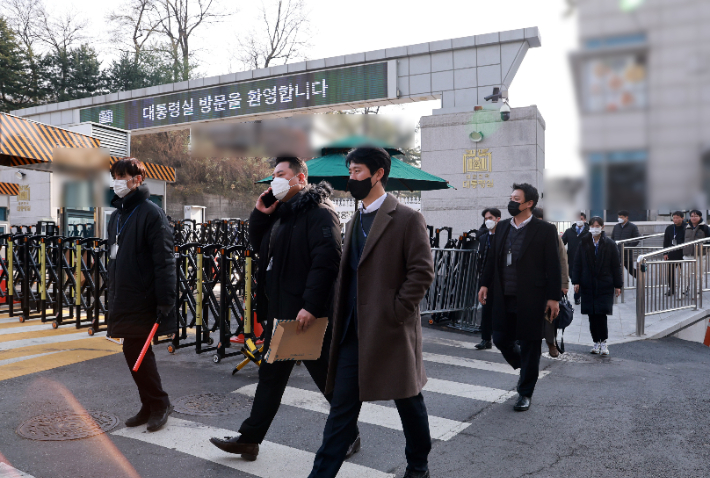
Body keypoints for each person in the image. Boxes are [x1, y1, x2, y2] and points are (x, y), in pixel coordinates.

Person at [209, 157, 360, 460]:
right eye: (273, 175)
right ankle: (250, 439)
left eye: (281, 174)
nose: (274, 180)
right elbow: (261, 251)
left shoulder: (320, 214)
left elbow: (327, 261)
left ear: (301, 179)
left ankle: (348, 433)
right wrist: (260, 214)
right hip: (283, 313)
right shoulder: (282, 214)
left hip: (306, 315)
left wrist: (310, 306)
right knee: (272, 378)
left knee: (325, 379)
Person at [308, 146, 435, 478]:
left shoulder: (407, 218)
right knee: (340, 413)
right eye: (350, 172)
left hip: (391, 329)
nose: (352, 177)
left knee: (409, 402)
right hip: (352, 333)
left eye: (358, 172)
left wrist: (396, 311)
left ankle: (418, 465)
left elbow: (422, 272)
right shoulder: (353, 221)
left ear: (379, 174)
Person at [107, 158, 176, 432]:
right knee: (134, 352)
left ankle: (159, 404)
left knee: (137, 351)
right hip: (124, 296)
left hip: (145, 297)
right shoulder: (117, 216)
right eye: (115, 175)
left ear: (138, 180)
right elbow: (114, 258)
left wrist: (166, 299)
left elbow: (164, 260)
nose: (118, 181)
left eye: (123, 175)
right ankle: (150, 404)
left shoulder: (152, 213)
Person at [478, 183, 561, 412]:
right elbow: (492, 259)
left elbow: (553, 266)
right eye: (511, 197)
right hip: (503, 295)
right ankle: (524, 368)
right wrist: (485, 284)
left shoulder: (544, 230)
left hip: (532, 297)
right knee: (501, 338)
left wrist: (553, 298)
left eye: (516, 198)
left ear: (529, 203)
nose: (511, 202)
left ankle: (525, 392)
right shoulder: (502, 227)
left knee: (530, 345)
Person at [571, 217, 623, 356]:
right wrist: (576, 281)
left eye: (597, 226)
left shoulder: (610, 244)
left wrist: (618, 285)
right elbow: (577, 263)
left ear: (602, 227)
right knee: (591, 315)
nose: (595, 228)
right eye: (592, 226)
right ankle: (595, 342)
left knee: (601, 314)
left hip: (604, 284)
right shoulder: (583, 243)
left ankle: (603, 342)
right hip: (587, 283)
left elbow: (615, 266)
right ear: (589, 227)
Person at [532, 207, 568, 358]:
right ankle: (531, 345)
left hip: (548, 283)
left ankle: (551, 344)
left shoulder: (551, 234)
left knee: (549, 316)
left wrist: (564, 284)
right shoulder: (524, 233)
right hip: (530, 284)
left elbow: (562, 259)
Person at [475, 207, 501, 350]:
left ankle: (510, 339)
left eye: (490, 218)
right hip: (485, 279)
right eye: (486, 218)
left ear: (498, 219)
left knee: (503, 310)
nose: (488, 221)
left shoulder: (503, 236)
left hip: (501, 280)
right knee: (486, 309)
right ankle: (486, 339)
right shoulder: (484, 237)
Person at [561, 212, 589, 305]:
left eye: (581, 219)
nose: (579, 221)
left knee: (581, 279)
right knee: (575, 279)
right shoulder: (569, 231)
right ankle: (578, 295)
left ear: (584, 220)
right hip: (572, 259)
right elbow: (561, 243)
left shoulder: (589, 231)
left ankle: (577, 297)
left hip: (586, 259)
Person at [611, 210, 640, 280]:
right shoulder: (616, 227)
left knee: (631, 270)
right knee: (614, 270)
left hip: (626, 253)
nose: (619, 219)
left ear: (626, 217)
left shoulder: (632, 227)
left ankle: (641, 279)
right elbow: (612, 238)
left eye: (621, 217)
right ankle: (617, 286)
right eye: (619, 217)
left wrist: (628, 248)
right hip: (616, 253)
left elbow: (637, 239)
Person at [663, 211, 686, 296]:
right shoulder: (669, 228)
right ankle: (671, 289)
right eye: (674, 218)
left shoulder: (686, 227)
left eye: (677, 218)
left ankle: (684, 289)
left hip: (684, 253)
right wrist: (665, 253)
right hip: (672, 253)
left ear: (682, 218)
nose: (675, 220)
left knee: (685, 272)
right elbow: (666, 241)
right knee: (670, 271)